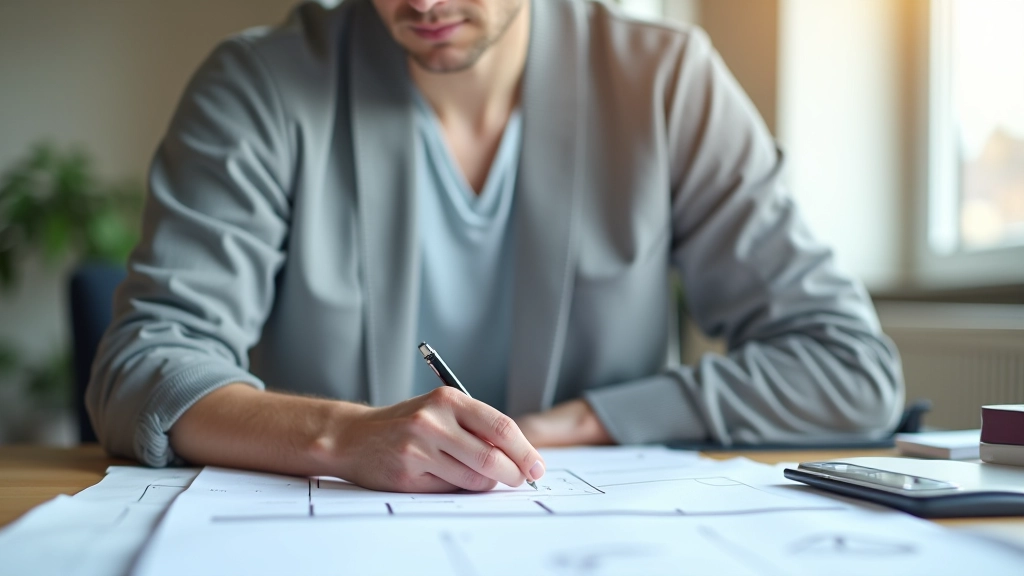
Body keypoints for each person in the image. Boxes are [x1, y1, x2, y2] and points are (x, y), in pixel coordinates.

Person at [86, 0, 904, 493]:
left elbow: (847, 366)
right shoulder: (257, 85)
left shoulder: (667, 84)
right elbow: (143, 366)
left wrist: (588, 422)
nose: (423, 1)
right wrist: (343, 437)